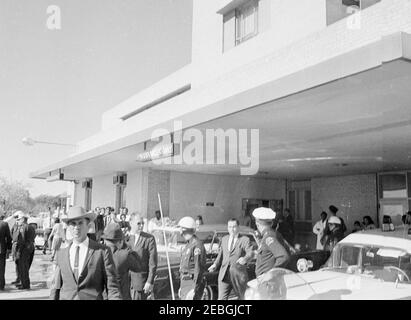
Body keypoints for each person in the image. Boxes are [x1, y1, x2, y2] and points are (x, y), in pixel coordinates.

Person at [49, 206, 121, 300]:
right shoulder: (61, 253)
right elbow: (56, 287)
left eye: (80, 223)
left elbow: (112, 287)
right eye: (73, 223)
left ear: (88, 225)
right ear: (68, 227)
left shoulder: (102, 252)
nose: (76, 227)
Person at [208, 218, 254, 300]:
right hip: (224, 274)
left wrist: (245, 259)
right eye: (230, 227)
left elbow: (250, 253)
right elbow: (221, 254)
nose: (232, 229)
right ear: (227, 228)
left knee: (242, 298)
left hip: (238, 274)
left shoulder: (244, 240)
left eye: (234, 227)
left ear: (238, 227)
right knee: (221, 298)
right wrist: (215, 264)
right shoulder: (224, 239)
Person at [102, 223, 142, 300]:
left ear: (104, 240)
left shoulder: (98, 254)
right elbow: (138, 266)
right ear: (120, 241)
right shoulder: (124, 255)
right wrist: (125, 246)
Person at [126, 213, 158, 300]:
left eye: (142, 223)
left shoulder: (149, 239)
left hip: (140, 283)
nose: (141, 226)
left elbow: (153, 263)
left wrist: (149, 281)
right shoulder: (125, 238)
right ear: (131, 223)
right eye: (138, 223)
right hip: (125, 283)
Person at [252, 207, 290, 277]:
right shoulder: (273, 234)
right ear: (271, 223)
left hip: (268, 282)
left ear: (257, 223)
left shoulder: (268, 237)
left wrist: (271, 273)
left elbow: (284, 256)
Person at [178, 216, 207, 300]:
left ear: (185, 230)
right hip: (185, 283)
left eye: (181, 229)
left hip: (192, 283)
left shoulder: (197, 245)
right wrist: (182, 286)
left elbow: (198, 268)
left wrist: (194, 289)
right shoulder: (188, 245)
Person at [14, 212, 36, 290]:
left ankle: (25, 285)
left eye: (19, 219)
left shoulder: (23, 227)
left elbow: (22, 240)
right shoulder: (31, 227)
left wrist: (18, 250)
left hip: (24, 249)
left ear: (23, 219)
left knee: (23, 267)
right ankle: (24, 283)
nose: (18, 221)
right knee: (25, 267)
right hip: (30, 247)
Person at [0, 212, 12, 290]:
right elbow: (9, 237)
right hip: (2, 249)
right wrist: (9, 248)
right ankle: (1, 285)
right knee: (1, 267)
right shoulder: (4, 224)